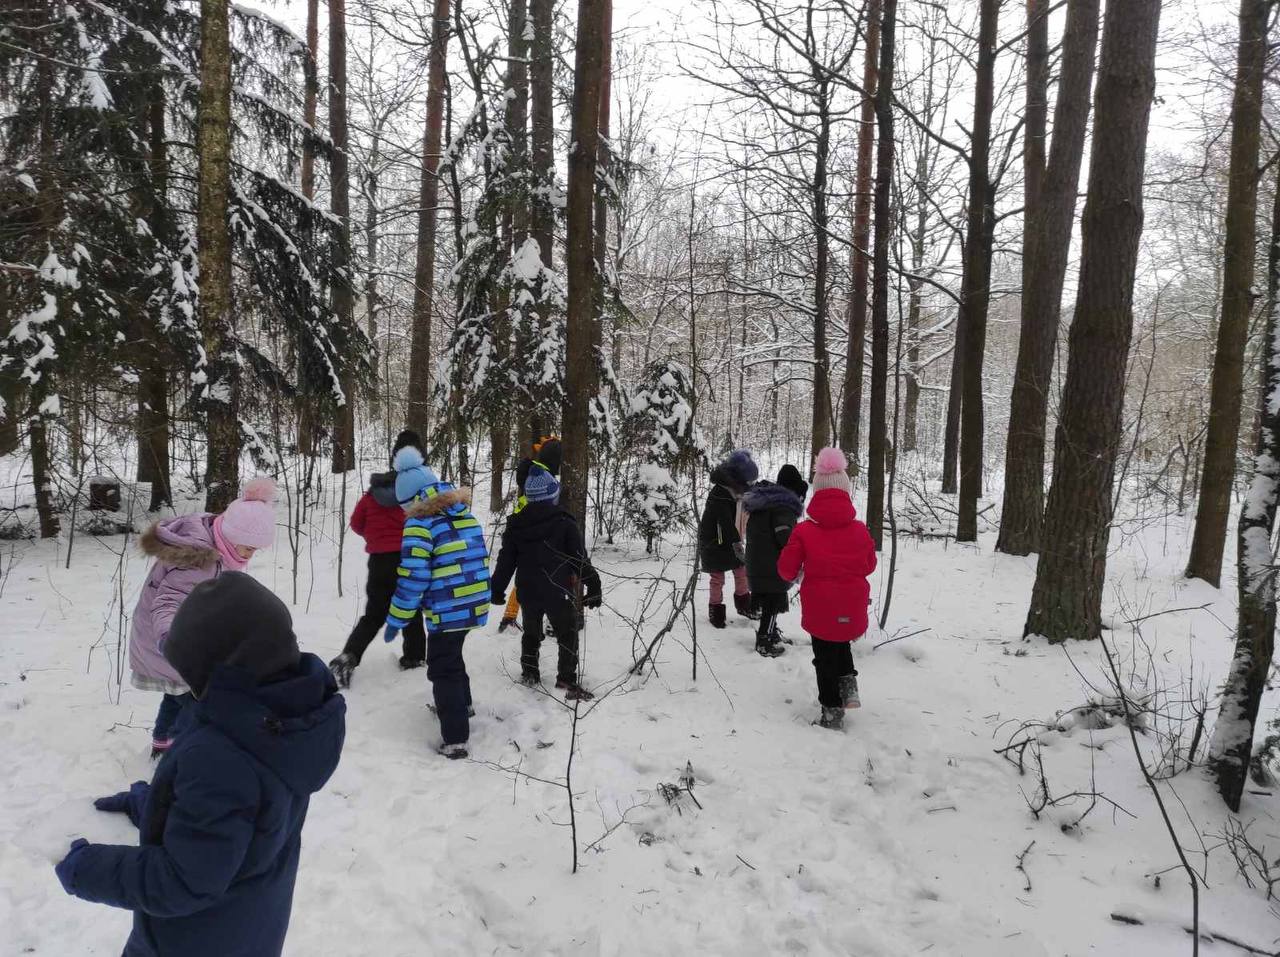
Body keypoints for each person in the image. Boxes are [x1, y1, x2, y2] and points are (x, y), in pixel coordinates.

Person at [54, 571, 347, 957]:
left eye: (189, 669)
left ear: (222, 667)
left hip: (189, 941)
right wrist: (154, 804)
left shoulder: (222, 753)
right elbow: (243, 822)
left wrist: (85, 869)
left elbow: (184, 881)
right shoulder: (283, 720)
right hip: (250, 927)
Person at [130, 477, 277, 758]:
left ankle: (164, 741)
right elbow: (169, 601)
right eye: (247, 547)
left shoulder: (217, 539)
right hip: (170, 641)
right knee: (196, 698)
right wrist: (169, 639)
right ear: (231, 534)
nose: (249, 554)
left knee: (178, 694)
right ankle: (182, 748)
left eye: (255, 549)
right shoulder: (200, 561)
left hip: (187, 636)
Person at [384, 446, 490, 759]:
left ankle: (456, 739)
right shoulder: (463, 513)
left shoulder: (419, 525)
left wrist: (398, 617)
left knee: (442, 668)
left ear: (410, 501)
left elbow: (413, 579)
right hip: (474, 602)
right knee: (452, 655)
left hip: (449, 608)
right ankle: (464, 705)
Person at [777, 447, 877, 730]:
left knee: (824, 656)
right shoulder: (859, 530)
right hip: (852, 608)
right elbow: (869, 564)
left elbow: (786, 569)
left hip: (820, 609)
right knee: (841, 640)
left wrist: (800, 570)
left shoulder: (804, 531)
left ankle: (832, 709)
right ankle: (848, 682)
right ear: (846, 492)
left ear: (816, 494)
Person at [489, 463, 602, 700]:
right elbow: (579, 559)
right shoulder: (564, 523)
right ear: (553, 495)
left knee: (531, 631)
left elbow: (506, 561)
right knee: (567, 633)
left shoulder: (516, 524)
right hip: (558, 590)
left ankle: (530, 672)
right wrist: (594, 585)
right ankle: (566, 678)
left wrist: (497, 588)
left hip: (528, 591)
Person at [329, 430, 429, 687]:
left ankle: (348, 656)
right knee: (411, 609)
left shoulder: (373, 492)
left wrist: (376, 539)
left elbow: (356, 523)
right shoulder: (416, 490)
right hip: (409, 559)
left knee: (374, 614)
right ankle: (415, 658)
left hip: (379, 562)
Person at [498, 435, 563, 633]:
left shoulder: (531, 470)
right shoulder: (542, 475)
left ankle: (509, 617)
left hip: (522, 528)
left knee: (525, 577)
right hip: (536, 530)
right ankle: (552, 623)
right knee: (550, 577)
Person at [743, 464, 808, 658]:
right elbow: (785, 537)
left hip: (758, 562)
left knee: (769, 600)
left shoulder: (765, 504)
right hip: (771, 565)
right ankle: (764, 640)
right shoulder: (783, 508)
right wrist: (797, 554)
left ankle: (771, 633)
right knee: (772, 602)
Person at [697, 450, 759, 628]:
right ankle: (715, 611)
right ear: (739, 479)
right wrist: (736, 543)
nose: (750, 485)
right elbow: (724, 521)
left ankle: (744, 604)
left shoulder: (736, 492)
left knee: (742, 571)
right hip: (714, 542)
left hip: (731, 539)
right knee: (717, 578)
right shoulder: (721, 493)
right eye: (749, 482)